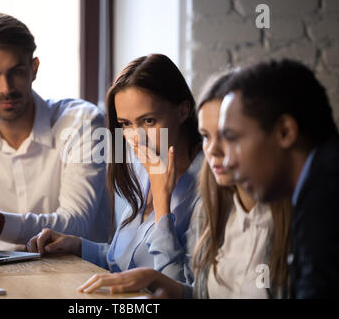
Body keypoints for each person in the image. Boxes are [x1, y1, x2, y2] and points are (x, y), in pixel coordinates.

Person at [75, 71, 292, 299]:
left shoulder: (213, 197)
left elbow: (184, 281)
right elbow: (200, 293)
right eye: (206, 136)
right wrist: (80, 246)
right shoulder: (148, 171)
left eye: (230, 135)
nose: (213, 151)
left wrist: (161, 203)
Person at [0, 13, 109, 246]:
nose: (6, 87)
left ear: (33, 69)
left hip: (81, 276)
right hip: (2, 275)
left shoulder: (85, 122)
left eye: (16, 71)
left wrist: (3, 224)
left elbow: (77, 223)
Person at [27, 54, 204, 283]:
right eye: (126, 124)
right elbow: (123, 263)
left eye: (148, 121)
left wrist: (162, 206)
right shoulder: (142, 169)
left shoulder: (208, 189)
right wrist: (77, 246)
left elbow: (179, 287)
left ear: (183, 110)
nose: (136, 138)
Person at [218, 59, 339, 298]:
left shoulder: (327, 196)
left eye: (233, 139)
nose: (226, 161)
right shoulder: (317, 184)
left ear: (285, 132)